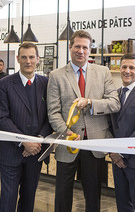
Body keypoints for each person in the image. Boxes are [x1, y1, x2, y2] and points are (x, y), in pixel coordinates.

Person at [47, 30, 120, 212]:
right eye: (77, 46)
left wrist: (90, 102)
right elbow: (53, 112)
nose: (81, 51)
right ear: (70, 47)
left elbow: (114, 103)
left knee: (93, 193)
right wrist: (66, 132)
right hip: (67, 141)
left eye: (85, 47)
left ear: (90, 50)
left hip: (94, 142)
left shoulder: (103, 72)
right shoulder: (56, 75)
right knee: (63, 194)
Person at [0, 42, 53, 212]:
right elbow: (2, 118)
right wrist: (23, 142)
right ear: (18, 59)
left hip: (36, 152)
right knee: (8, 198)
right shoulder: (5, 84)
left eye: (31, 57)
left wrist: (36, 142)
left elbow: (50, 116)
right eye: (24, 57)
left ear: (37, 59)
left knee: (29, 198)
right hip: (11, 153)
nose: (28, 61)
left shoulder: (46, 83)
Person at [110, 53, 135, 212]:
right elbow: (110, 126)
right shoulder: (114, 94)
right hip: (116, 161)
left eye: (132, 67)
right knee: (122, 204)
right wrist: (113, 152)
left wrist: (121, 153)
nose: (127, 71)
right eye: (124, 67)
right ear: (119, 69)